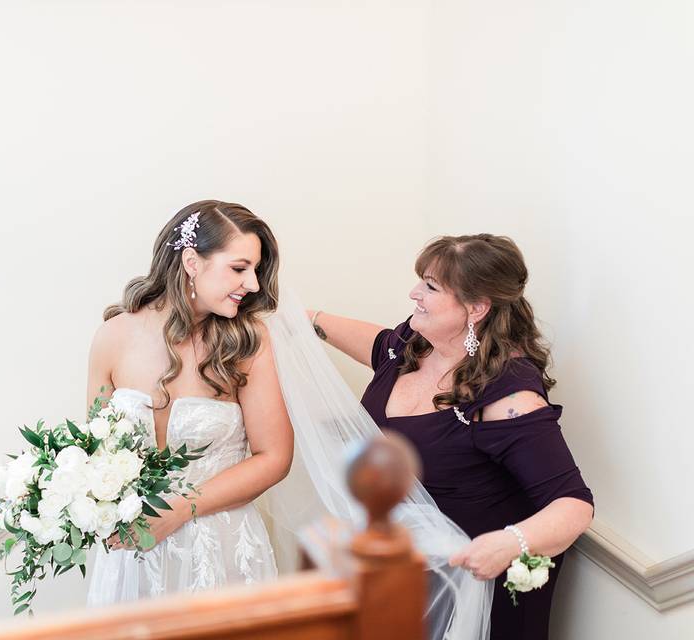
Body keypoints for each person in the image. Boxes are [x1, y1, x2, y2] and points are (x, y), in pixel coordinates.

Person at [308, 234, 594, 640]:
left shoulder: (508, 395)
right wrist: (298, 319)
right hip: (402, 571)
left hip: (473, 584)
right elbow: (376, 344)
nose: (414, 293)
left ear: (475, 308)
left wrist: (509, 543)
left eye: (430, 286)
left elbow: (575, 505)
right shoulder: (409, 345)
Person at [85, 200, 294, 604]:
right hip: (132, 554)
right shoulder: (112, 336)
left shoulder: (246, 343)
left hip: (219, 552)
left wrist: (180, 509)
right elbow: (96, 452)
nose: (252, 285)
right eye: (239, 268)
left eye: (255, 270)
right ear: (191, 261)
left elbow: (275, 456)